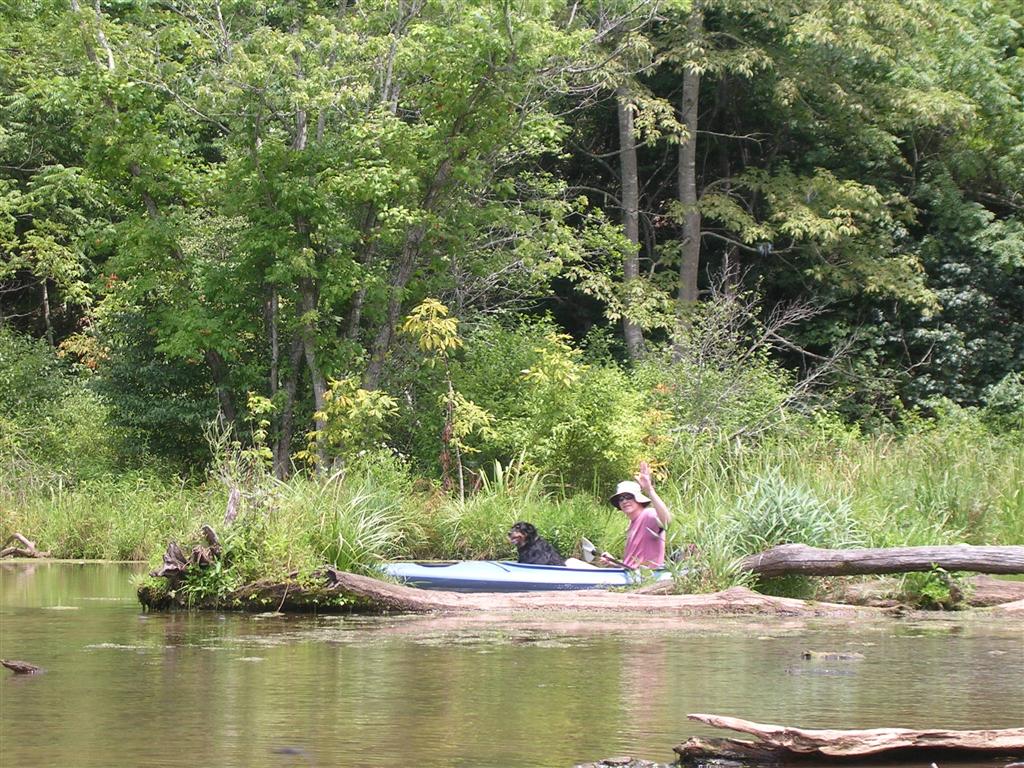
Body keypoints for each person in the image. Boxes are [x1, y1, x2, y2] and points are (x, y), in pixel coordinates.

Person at [600, 461, 671, 568]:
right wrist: (614, 562)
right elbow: (630, 566)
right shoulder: (631, 525)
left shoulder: (648, 514)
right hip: (631, 574)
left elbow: (666, 521)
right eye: (621, 498)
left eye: (628, 496)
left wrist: (649, 490)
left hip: (646, 576)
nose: (624, 501)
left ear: (638, 499)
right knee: (573, 562)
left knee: (572, 562)